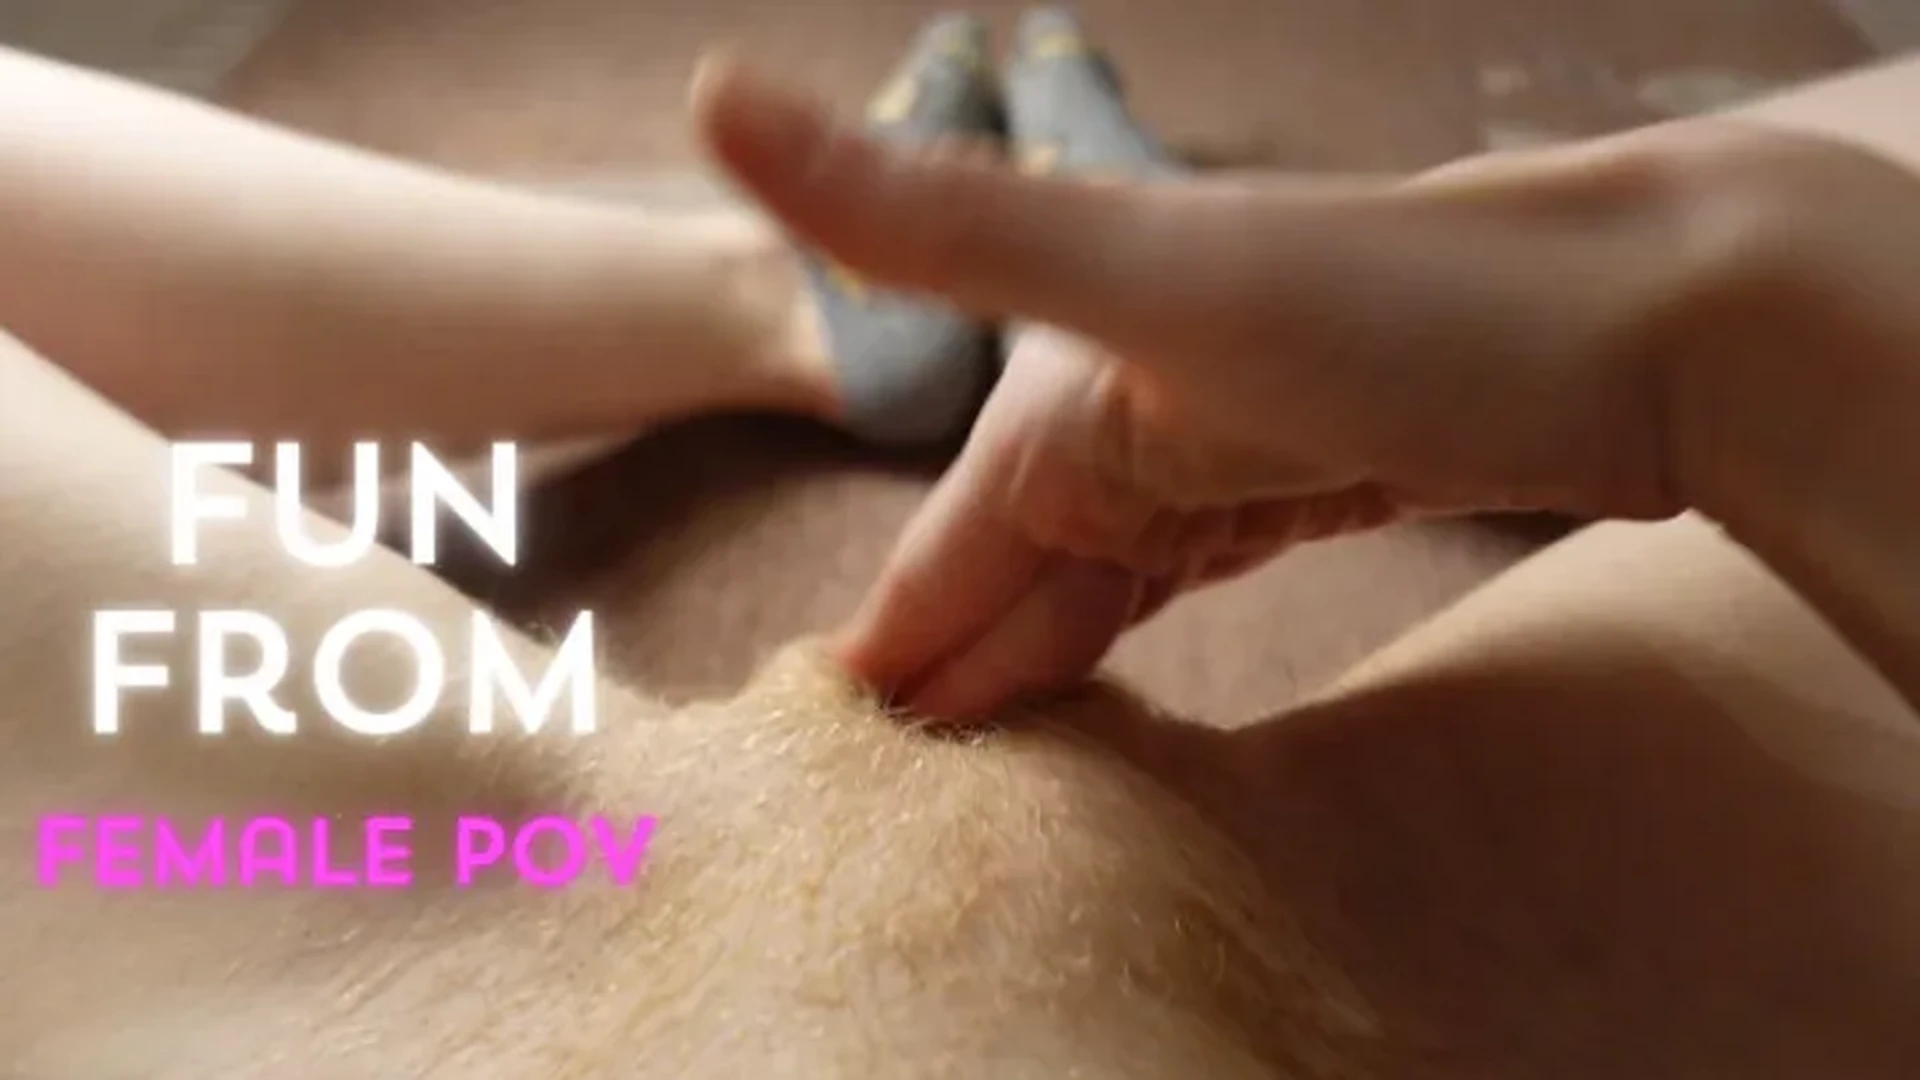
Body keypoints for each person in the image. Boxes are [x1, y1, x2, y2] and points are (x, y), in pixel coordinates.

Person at [5, 8, 1920, 1079]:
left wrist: (1711, 327)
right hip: (1445, 933)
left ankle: (818, 297)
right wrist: (1721, 329)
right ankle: (816, 303)